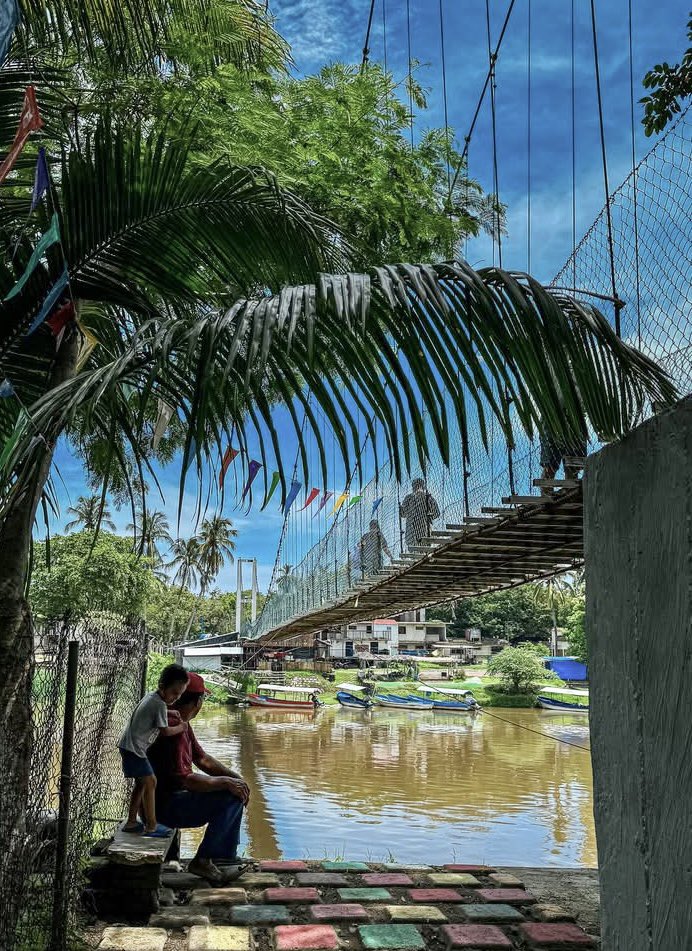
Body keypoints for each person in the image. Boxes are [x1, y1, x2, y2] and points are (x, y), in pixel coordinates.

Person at [148, 671, 251, 883]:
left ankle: (222, 858)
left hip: (164, 800)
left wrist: (235, 778)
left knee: (234, 790)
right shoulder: (172, 728)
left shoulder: (179, 721)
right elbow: (186, 780)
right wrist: (226, 783)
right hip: (164, 807)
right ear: (197, 702)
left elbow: (202, 759)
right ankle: (209, 860)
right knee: (230, 798)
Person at [118, 663, 189, 837]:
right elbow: (165, 731)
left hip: (129, 746)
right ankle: (151, 826)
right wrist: (182, 727)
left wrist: (170, 713)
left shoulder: (152, 697)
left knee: (142, 784)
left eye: (180, 694)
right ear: (162, 686)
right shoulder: (159, 705)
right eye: (174, 693)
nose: (176, 698)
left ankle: (132, 821)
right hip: (134, 749)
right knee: (151, 782)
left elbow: (155, 712)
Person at [400, 479, 440, 550]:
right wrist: (428, 517)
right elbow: (437, 513)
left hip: (411, 532)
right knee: (425, 550)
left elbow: (403, 514)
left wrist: (400, 508)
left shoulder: (409, 498)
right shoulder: (428, 497)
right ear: (423, 486)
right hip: (424, 530)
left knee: (414, 551)